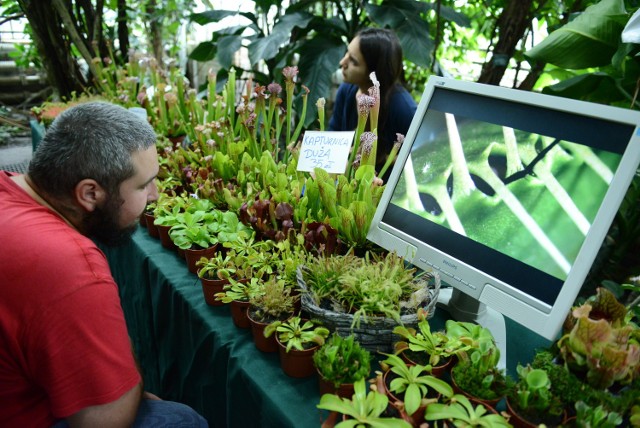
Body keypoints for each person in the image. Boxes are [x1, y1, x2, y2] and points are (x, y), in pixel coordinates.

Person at [0, 102, 208, 427]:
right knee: (178, 420)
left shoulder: (9, 185)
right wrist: (131, 388)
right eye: (142, 186)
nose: (155, 195)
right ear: (90, 194)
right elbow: (106, 420)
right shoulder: (69, 264)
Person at [329, 27, 417, 173]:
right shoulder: (346, 90)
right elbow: (333, 134)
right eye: (347, 53)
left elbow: (417, 159)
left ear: (374, 73)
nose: (342, 62)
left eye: (353, 61)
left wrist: (383, 158)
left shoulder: (403, 109)